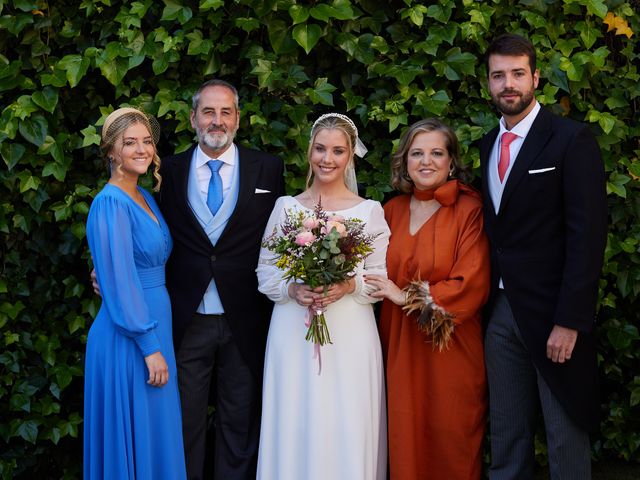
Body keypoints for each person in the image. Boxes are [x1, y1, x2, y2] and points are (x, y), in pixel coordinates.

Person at [480, 33, 607, 479]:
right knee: (508, 433)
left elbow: (587, 235)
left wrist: (570, 320)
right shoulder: (486, 146)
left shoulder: (571, 140)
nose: (508, 84)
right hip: (500, 312)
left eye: (517, 73)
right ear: (488, 83)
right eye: (499, 75)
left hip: (555, 314)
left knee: (564, 434)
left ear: (536, 77)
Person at [158, 79, 285, 480]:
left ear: (238, 119)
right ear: (193, 118)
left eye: (225, 112)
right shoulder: (168, 169)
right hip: (187, 317)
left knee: (240, 423)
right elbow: (151, 231)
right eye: (208, 112)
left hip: (245, 317)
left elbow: (279, 239)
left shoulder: (268, 168)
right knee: (183, 423)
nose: (217, 121)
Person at [255, 113, 390, 480]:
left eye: (337, 151)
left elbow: (379, 279)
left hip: (349, 331)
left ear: (349, 157)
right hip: (292, 330)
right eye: (320, 149)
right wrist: (292, 288)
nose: (327, 159)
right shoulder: (286, 207)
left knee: (345, 415)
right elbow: (266, 271)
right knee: (296, 413)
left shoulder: (369, 211)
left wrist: (348, 285)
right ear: (309, 151)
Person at [365, 118, 490, 479]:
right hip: (399, 347)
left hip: (450, 349)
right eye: (417, 153)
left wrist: (403, 296)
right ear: (405, 161)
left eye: (437, 153)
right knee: (405, 440)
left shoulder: (469, 210)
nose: (426, 161)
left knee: (452, 441)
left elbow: (472, 282)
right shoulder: (390, 211)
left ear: (451, 162)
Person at [84, 107, 186, 479]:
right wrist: (149, 345)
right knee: (137, 431)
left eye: (146, 141)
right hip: (130, 337)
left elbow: (121, 269)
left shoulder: (145, 197)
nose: (142, 149)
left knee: (156, 431)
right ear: (111, 151)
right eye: (130, 143)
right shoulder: (110, 202)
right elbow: (122, 279)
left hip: (153, 327)